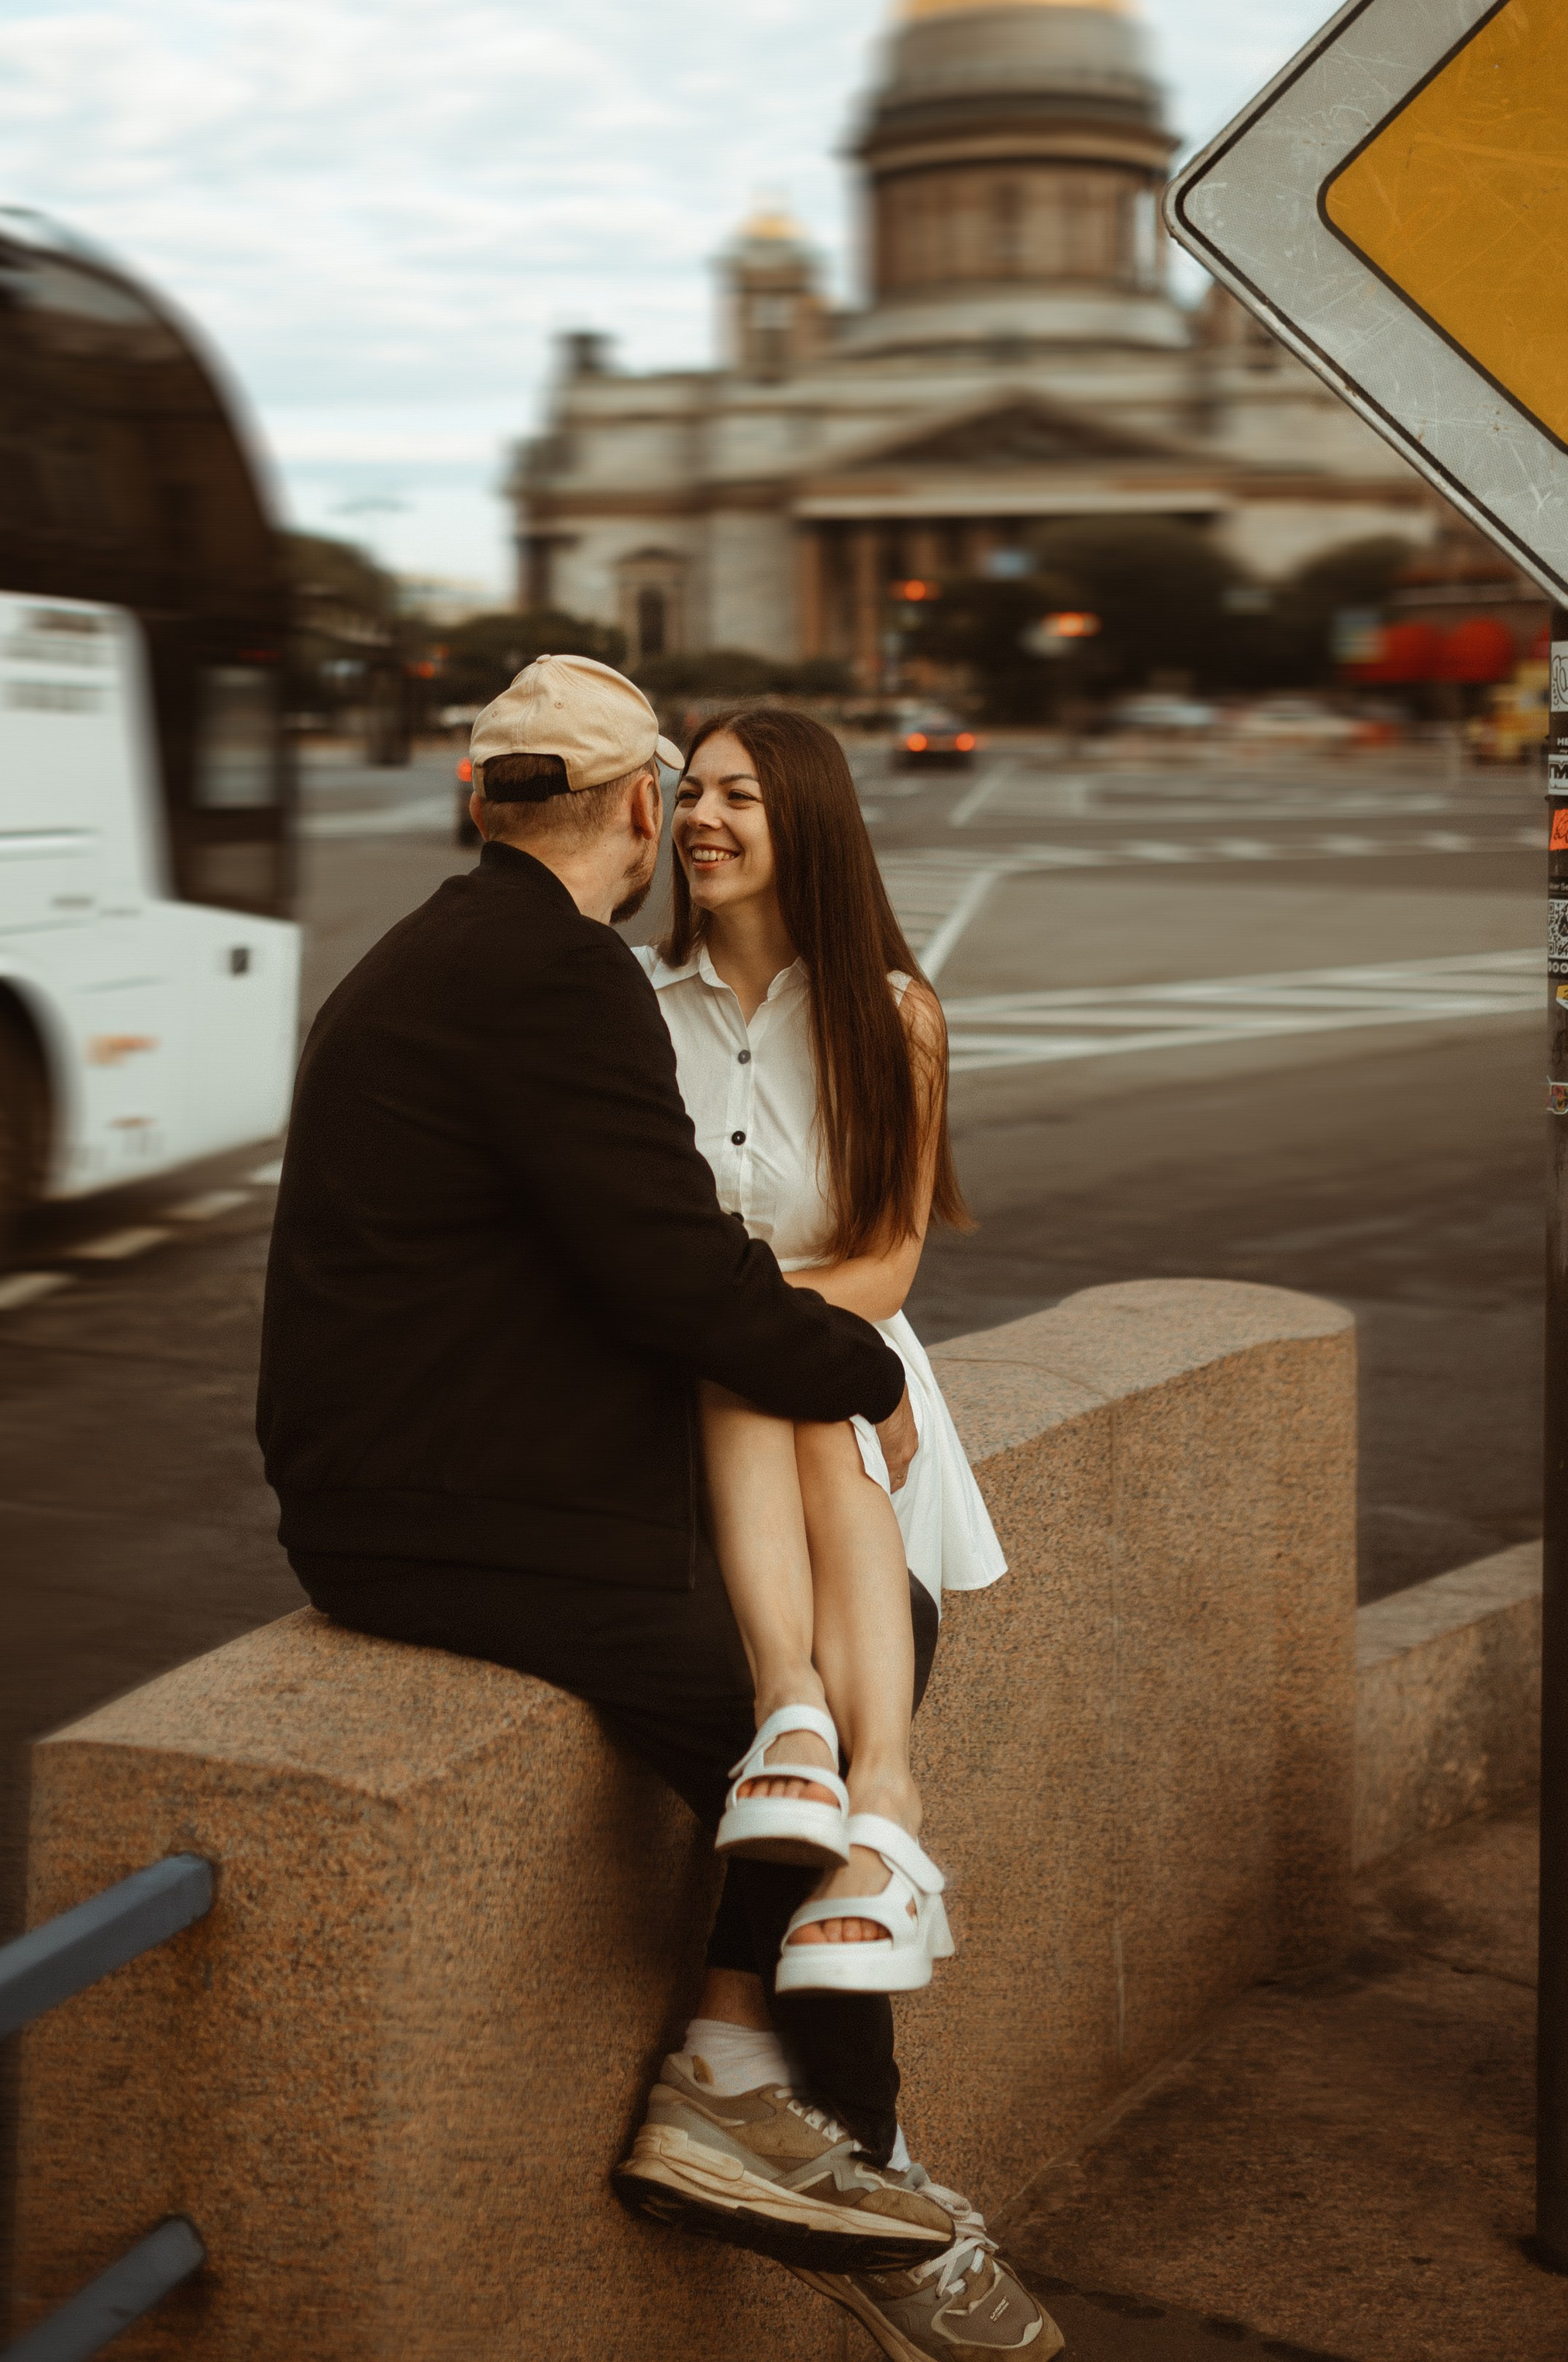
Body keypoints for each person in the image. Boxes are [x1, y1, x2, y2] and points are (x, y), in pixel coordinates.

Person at [256, 654, 1061, 2354]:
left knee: (872, 1641)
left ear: (482, 796)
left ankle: (734, 2058)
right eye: (675, 794)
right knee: (821, 1708)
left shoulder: (462, 950)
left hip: (451, 1465)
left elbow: (648, 1269)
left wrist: (822, 1366)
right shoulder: (556, 977)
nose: (689, 821)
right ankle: (853, 2168)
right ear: (633, 809)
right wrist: (865, 1380)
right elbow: (670, 1276)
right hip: (446, 1503)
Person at [645, 707, 1005, 2000]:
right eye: (691, 792)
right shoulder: (634, 1004)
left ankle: (801, 1723)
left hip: (828, 1365)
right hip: (722, 1371)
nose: (701, 818)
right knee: (764, 1351)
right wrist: (735, 1310)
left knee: (776, 1355)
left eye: (738, 795)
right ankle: (881, 1809)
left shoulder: (897, 1015)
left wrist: (736, 1304)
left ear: (807, 818)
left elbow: (888, 1262)